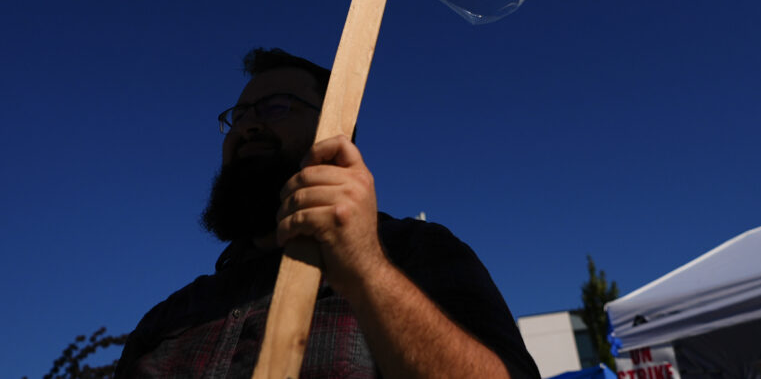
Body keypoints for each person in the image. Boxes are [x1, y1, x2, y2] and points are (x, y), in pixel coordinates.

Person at [115, 48, 540, 378]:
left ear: (336, 129)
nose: (247, 126)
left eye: (276, 107)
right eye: (239, 115)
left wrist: (366, 270)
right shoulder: (172, 314)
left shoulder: (419, 254)